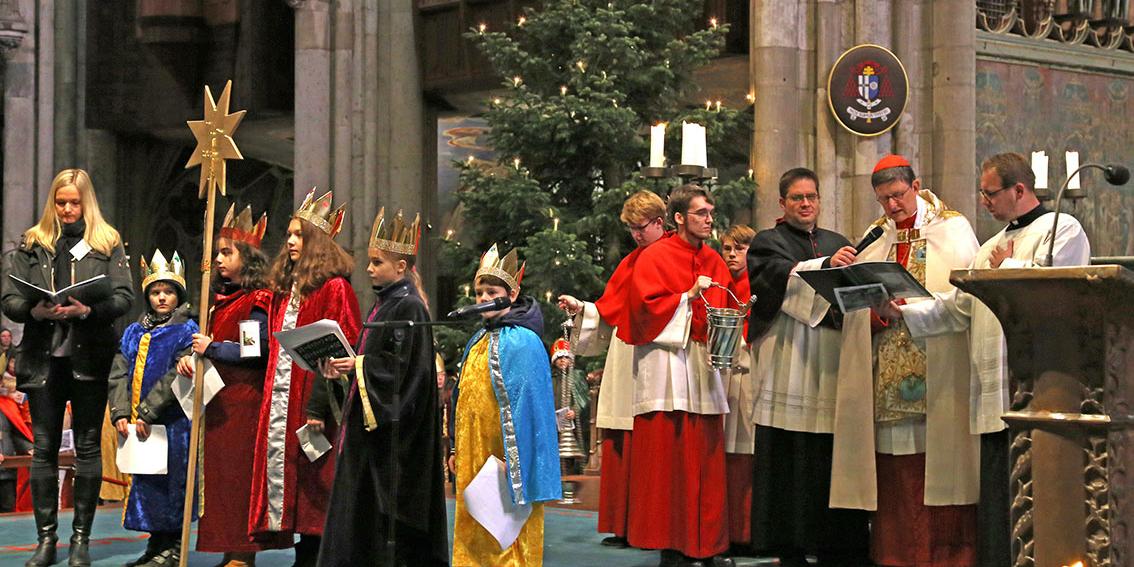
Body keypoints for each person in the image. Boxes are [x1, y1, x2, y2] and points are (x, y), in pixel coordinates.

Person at [885, 152, 1090, 566]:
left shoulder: (1064, 229)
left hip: (1038, 390)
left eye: (990, 192)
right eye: (981, 193)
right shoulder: (989, 248)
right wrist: (903, 310)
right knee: (1000, 503)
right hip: (991, 394)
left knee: (1039, 498)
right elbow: (958, 308)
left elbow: (1054, 289)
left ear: (1019, 190)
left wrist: (1006, 268)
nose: (984, 201)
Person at [830, 155, 981, 567]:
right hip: (886, 377)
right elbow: (857, 305)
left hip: (938, 374)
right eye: (884, 200)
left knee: (941, 475)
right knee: (893, 478)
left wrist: (910, 311)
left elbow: (969, 298)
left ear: (916, 186)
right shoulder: (876, 236)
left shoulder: (953, 228)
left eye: (898, 196)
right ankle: (895, 557)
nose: (892, 207)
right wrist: (871, 305)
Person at [1, 168, 134, 567]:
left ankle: (81, 540)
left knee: (88, 445)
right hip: (43, 359)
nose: (67, 209)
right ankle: (46, 541)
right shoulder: (32, 242)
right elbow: (9, 299)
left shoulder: (106, 241)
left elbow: (125, 297)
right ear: (52, 202)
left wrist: (88, 309)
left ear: (86, 201)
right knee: (43, 449)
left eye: (75, 202)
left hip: (89, 356)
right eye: (61, 202)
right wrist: (33, 309)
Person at [744, 168, 868, 566]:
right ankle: (788, 544)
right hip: (789, 356)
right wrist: (827, 264)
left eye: (811, 196)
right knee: (788, 453)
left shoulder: (838, 241)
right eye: (797, 198)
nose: (806, 204)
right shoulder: (767, 242)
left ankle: (836, 543)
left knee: (829, 451)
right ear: (782, 203)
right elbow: (774, 278)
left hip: (831, 358)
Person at [317, 208, 449, 566]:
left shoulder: (409, 306)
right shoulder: (386, 303)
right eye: (370, 261)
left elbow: (408, 372)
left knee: (381, 519)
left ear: (402, 268)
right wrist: (347, 370)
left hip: (392, 438)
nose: (370, 268)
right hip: (370, 429)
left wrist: (358, 365)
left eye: (377, 262)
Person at [248, 189, 361, 566]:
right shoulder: (287, 289)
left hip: (315, 406)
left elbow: (339, 348)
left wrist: (317, 407)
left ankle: (318, 557)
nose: (291, 241)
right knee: (293, 481)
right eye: (290, 234)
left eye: (300, 235)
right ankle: (304, 554)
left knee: (317, 485)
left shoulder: (334, 288)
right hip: (281, 402)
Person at [622, 184, 734, 567]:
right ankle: (674, 546)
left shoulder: (716, 260)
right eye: (701, 213)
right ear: (679, 218)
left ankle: (708, 545)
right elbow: (643, 310)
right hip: (667, 368)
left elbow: (726, 309)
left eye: (710, 212)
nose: (708, 219)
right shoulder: (654, 257)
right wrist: (686, 297)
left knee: (706, 456)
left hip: (702, 366)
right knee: (670, 462)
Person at [175, 205, 290, 566]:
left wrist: (214, 348)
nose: (219, 259)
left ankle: (242, 552)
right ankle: (229, 548)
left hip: (244, 404)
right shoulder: (220, 301)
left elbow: (254, 352)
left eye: (227, 252)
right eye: (217, 252)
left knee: (239, 482)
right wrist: (190, 357)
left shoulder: (256, 300)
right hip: (219, 403)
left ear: (249, 257)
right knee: (221, 483)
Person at [557, 189, 667, 548]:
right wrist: (582, 308)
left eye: (641, 227)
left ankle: (651, 526)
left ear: (660, 223)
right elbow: (609, 310)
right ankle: (623, 524)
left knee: (653, 443)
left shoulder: (671, 257)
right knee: (622, 438)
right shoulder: (632, 261)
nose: (636, 235)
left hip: (658, 356)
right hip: (626, 354)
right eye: (631, 229)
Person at [449, 244, 561, 566]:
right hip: (474, 454)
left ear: (511, 294)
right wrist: (457, 448)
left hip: (504, 461)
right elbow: (464, 397)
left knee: (505, 538)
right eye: (479, 292)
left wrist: (515, 463)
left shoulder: (523, 341)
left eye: (491, 291)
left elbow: (529, 413)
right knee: (476, 531)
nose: (483, 298)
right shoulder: (480, 338)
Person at [108, 251, 198, 567]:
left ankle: (172, 547)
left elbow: (178, 375)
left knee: (170, 484)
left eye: (169, 292)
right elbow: (119, 371)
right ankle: (155, 545)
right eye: (156, 292)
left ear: (179, 295)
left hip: (170, 422)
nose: (162, 297)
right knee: (146, 485)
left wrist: (148, 411)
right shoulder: (134, 331)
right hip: (135, 422)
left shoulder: (186, 330)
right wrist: (120, 412)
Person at [716, 224, 757, 551]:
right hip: (724, 375)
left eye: (739, 249)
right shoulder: (719, 285)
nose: (731, 255)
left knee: (748, 450)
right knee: (726, 453)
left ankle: (748, 530)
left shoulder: (756, 284)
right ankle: (728, 529)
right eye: (727, 248)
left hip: (751, 373)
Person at [0, 369, 34, 513]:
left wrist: (29, 448)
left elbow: (16, 433)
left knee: (8, 510)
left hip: (7, 471)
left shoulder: (7, 405)